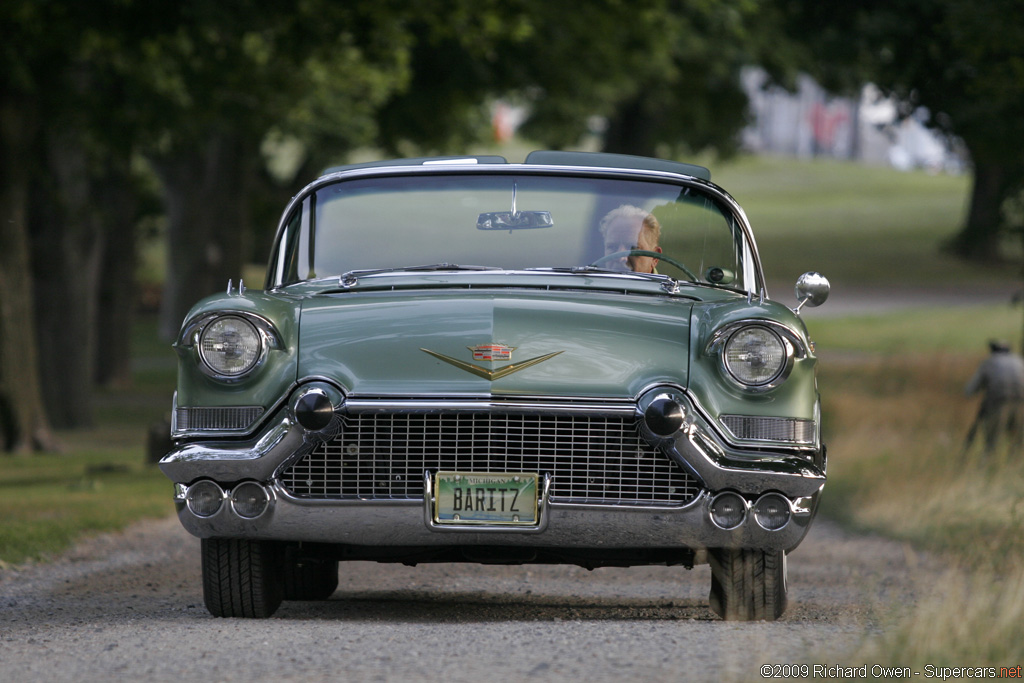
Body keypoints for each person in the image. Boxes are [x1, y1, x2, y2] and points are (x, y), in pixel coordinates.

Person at [964, 340, 1024, 451]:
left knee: (992, 442)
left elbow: (970, 390)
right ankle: (1014, 464)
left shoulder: (988, 363)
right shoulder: (1020, 361)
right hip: (1021, 404)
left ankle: (989, 463)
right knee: (1017, 441)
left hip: (998, 404)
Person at [598, 205, 662, 273]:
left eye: (633, 248)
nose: (621, 258)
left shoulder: (670, 283)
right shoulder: (589, 282)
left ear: (655, 258)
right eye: (612, 247)